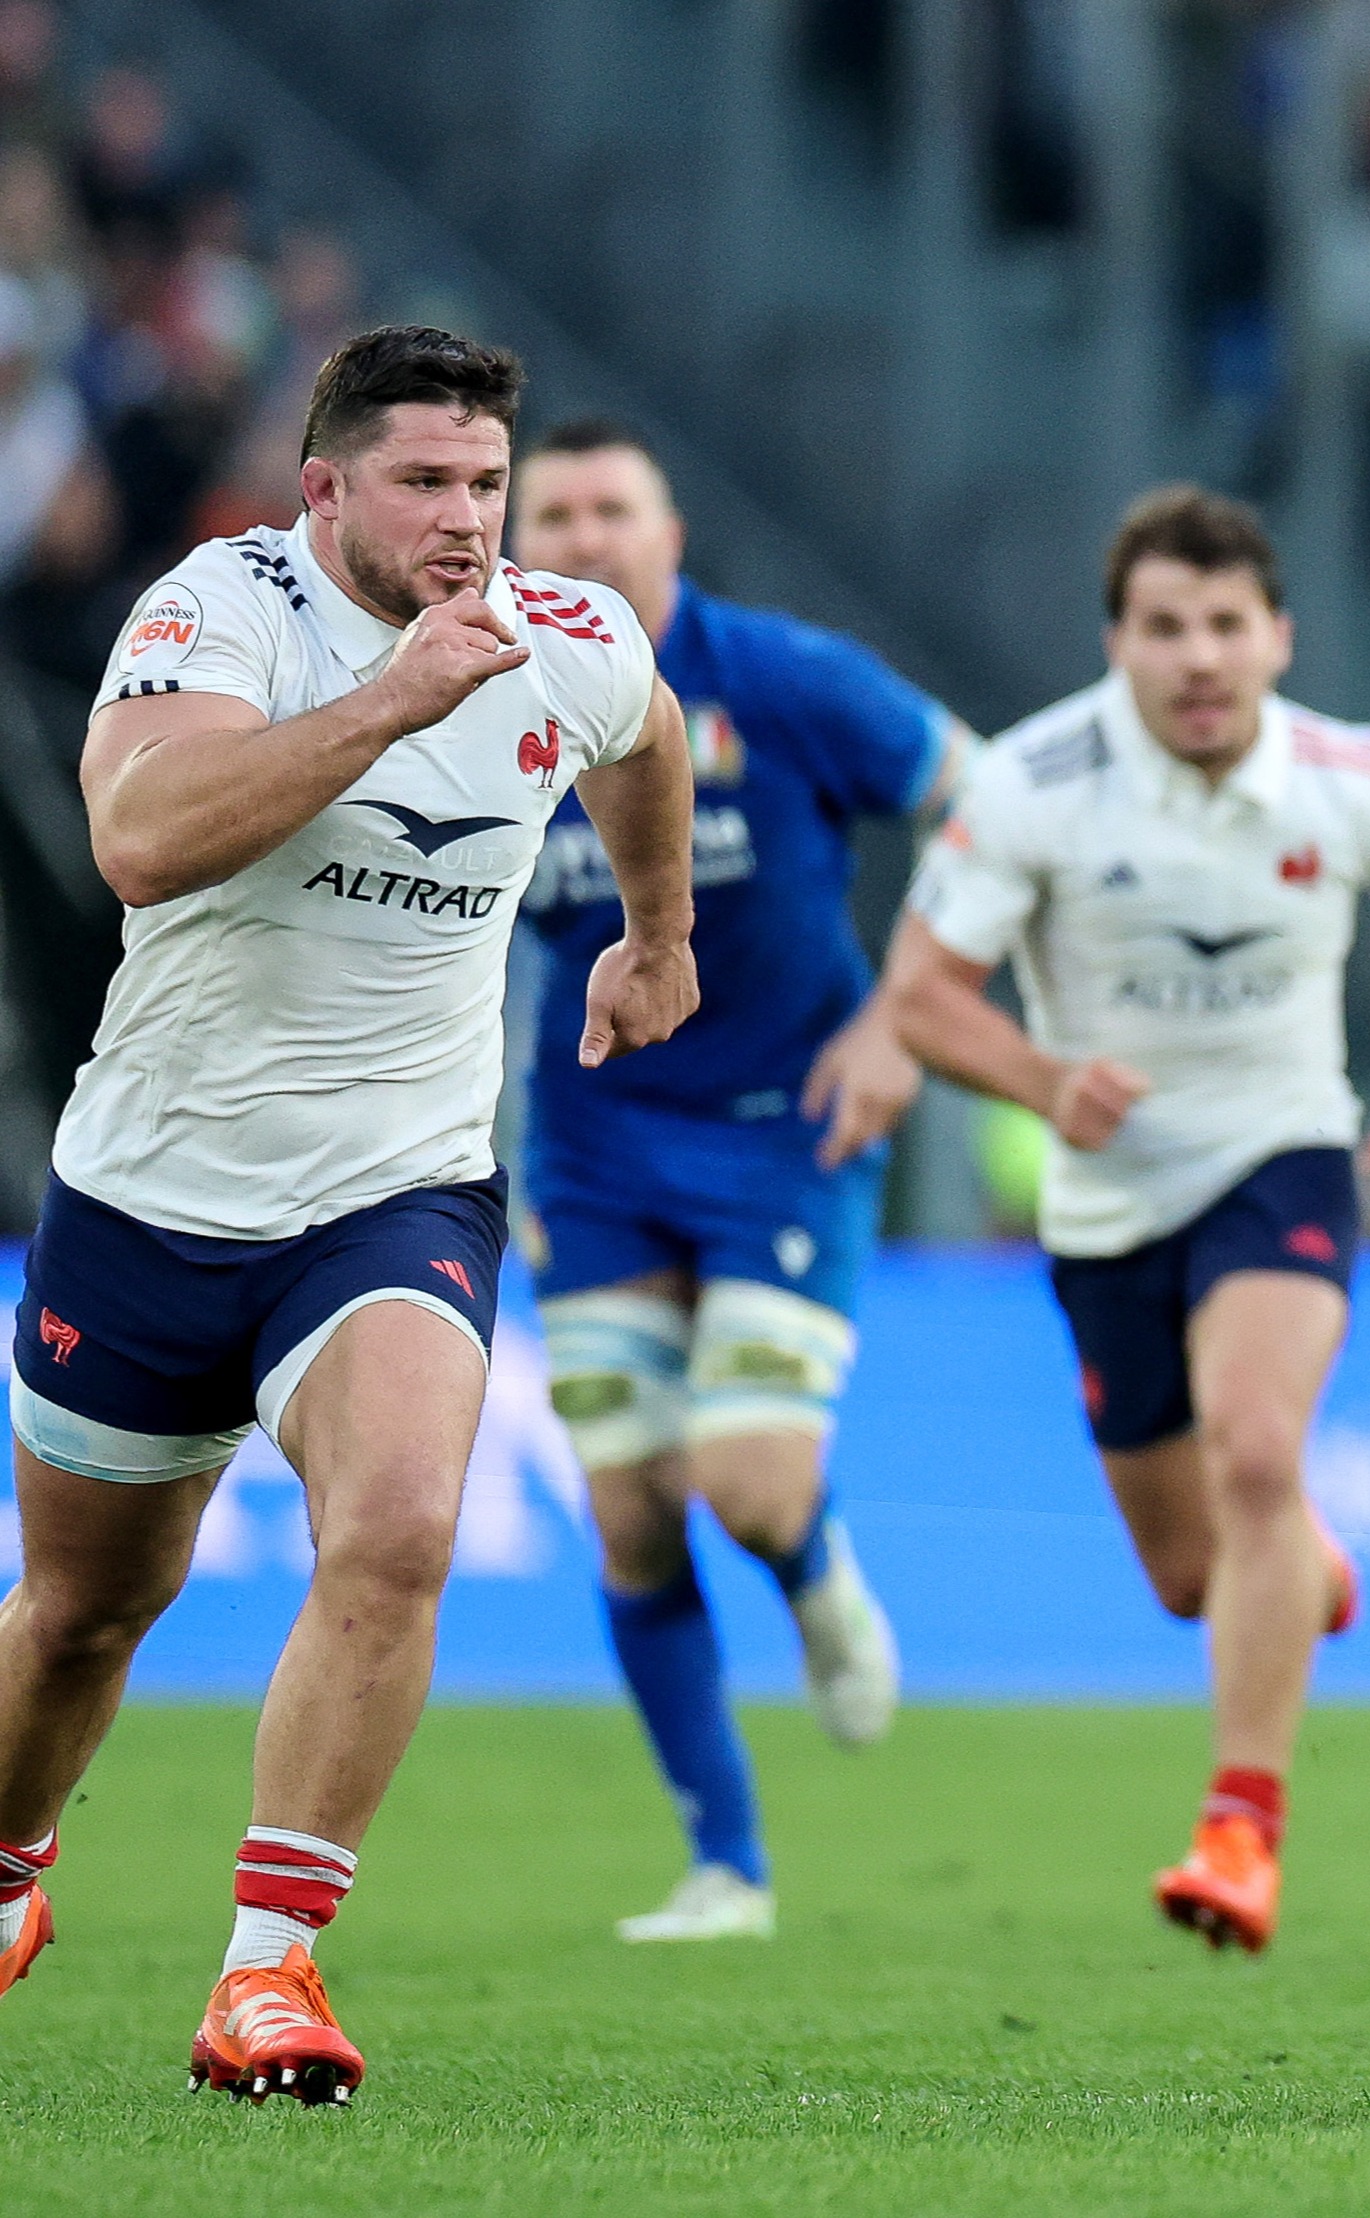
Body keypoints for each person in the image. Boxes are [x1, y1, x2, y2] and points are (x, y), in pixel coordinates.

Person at [0, 327, 697, 2104]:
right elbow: (141, 839)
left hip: (395, 1192)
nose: (468, 521)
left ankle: (268, 1970)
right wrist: (397, 696)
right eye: (424, 483)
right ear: (323, 489)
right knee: (82, 1612)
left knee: (395, 1529)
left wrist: (657, 929)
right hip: (150, 1199)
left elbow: (646, 733)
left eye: (488, 484)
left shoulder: (566, 635)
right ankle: (10, 1868)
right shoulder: (218, 609)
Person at [881, 486, 1370, 1958]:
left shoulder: (1351, 776)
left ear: (1279, 638)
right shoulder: (1035, 780)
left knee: (1256, 1451)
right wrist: (1045, 1081)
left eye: (1226, 626)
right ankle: (1302, 1563)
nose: (1198, 658)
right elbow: (919, 995)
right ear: (1116, 641)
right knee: (1197, 1574)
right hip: (1106, 1204)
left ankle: (1241, 1827)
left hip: (1282, 1159)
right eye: (1165, 628)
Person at [510, 418, 972, 1944]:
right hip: (593, 1145)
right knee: (633, 1510)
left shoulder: (784, 677)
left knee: (750, 1483)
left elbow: (992, 809)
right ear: (517, 546)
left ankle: (815, 1566)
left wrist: (903, 1016)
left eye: (613, 509)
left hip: (790, 1124)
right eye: (554, 514)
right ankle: (727, 1865)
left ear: (672, 535)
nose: (584, 538)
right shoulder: (482, 691)